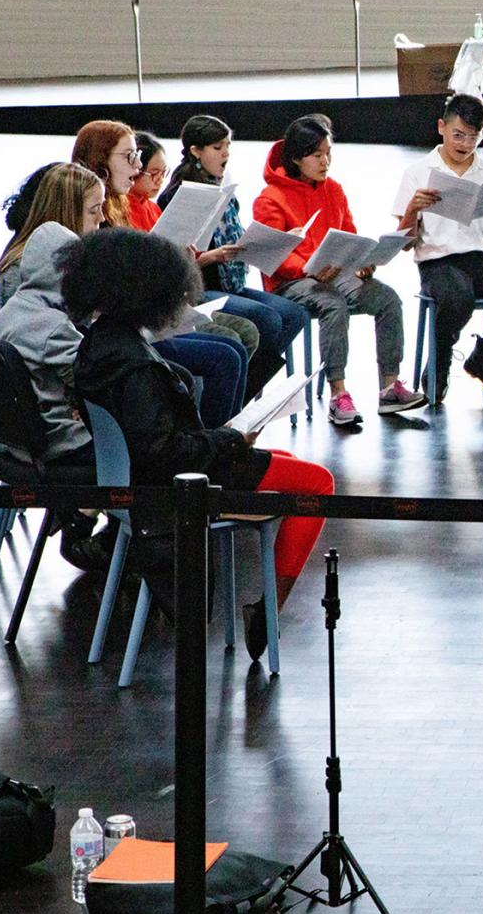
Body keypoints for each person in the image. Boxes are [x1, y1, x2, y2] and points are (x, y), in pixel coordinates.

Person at [64, 227, 335, 660]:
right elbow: (164, 452)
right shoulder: (134, 365)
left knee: (284, 463)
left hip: (138, 480)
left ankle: (266, 610)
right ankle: (268, 612)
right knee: (317, 483)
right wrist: (231, 437)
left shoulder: (102, 343)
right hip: (174, 487)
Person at [73, 119, 255, 421]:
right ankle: (212, 447)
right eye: (129, 157)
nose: (137, 166)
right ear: (100, 159)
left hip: (140, 322)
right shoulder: (99, 214)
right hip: (124, 334)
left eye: (138, 158)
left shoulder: (118, 205)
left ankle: (224, 437)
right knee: (227, 353)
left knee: (237, 344)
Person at [254, 113, 426, 426]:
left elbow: (349, 233)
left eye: (329, 153)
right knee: (332, 303)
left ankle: (389, 386)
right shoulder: (271, 198)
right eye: (317, 155)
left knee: (388, 299)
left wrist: (361, 262)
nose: (325, 161)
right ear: (296, 157)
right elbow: (272, 256)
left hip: (335, 274)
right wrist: (308, 270)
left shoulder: (334, 189)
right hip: (290, 282)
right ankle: (338, 394)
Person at [392, 93, 483, 404]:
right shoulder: (418, 172)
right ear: (441, 127)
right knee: (458, 298)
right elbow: (404, 245)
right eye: (459, 135)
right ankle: (440, 360)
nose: (465, 144)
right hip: (437, 260)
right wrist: (412, 210)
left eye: (474, 137)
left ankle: (482, 357)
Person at [158, 115, 310, 399]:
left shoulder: (223, 188)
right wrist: (212, 256)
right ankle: (238, 398)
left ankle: (246, 388)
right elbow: (180, 259)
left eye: (228, 145)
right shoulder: (179, 194)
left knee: (293, 314)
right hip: (199, 286)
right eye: (217, 147)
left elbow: (234, 236)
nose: (226, 153)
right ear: (196, 151)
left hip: (228, 279)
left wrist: (264, 244)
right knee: (265, 318)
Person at [0, 223, 109, 571]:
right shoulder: (51, 327)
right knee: (147, 453)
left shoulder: (14, 309)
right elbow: (98, 375)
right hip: (59, 445)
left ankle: (85, 520)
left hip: (22, 444)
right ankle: (106, 542)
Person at [0, 162, 103, 305]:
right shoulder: (18, 272)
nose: (102, 218)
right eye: (94, 210)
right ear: (66, 212)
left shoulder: (77, 259)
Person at [124, 131, 166, 231]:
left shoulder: (154, 209)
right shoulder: (116, 209)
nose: (160, 181)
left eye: (163, 173)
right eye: (154, 174)